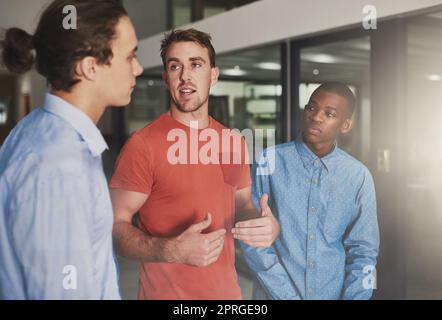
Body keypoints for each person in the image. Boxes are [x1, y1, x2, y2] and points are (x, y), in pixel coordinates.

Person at [110, 28, 280, 300]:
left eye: (196, 64)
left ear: (213, 75)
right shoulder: (142, 146)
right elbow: (115, 227)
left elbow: (242, 205)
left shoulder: (232, 142)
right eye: (175, 66)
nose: (185, 76)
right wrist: (171, 250)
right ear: (166, 78)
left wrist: (266, 226)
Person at [0, 0, 143, 299]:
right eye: (130, 57)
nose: (138, 68)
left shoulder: (36, 131)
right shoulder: (60, 168)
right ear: (90, 67)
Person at [241, 82, 379, 300]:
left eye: (329, 113)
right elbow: (252, 240)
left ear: (346, 125)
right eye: (312, 108)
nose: (316, 117)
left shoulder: (358, 177)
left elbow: (363, 252)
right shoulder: (270, 160)